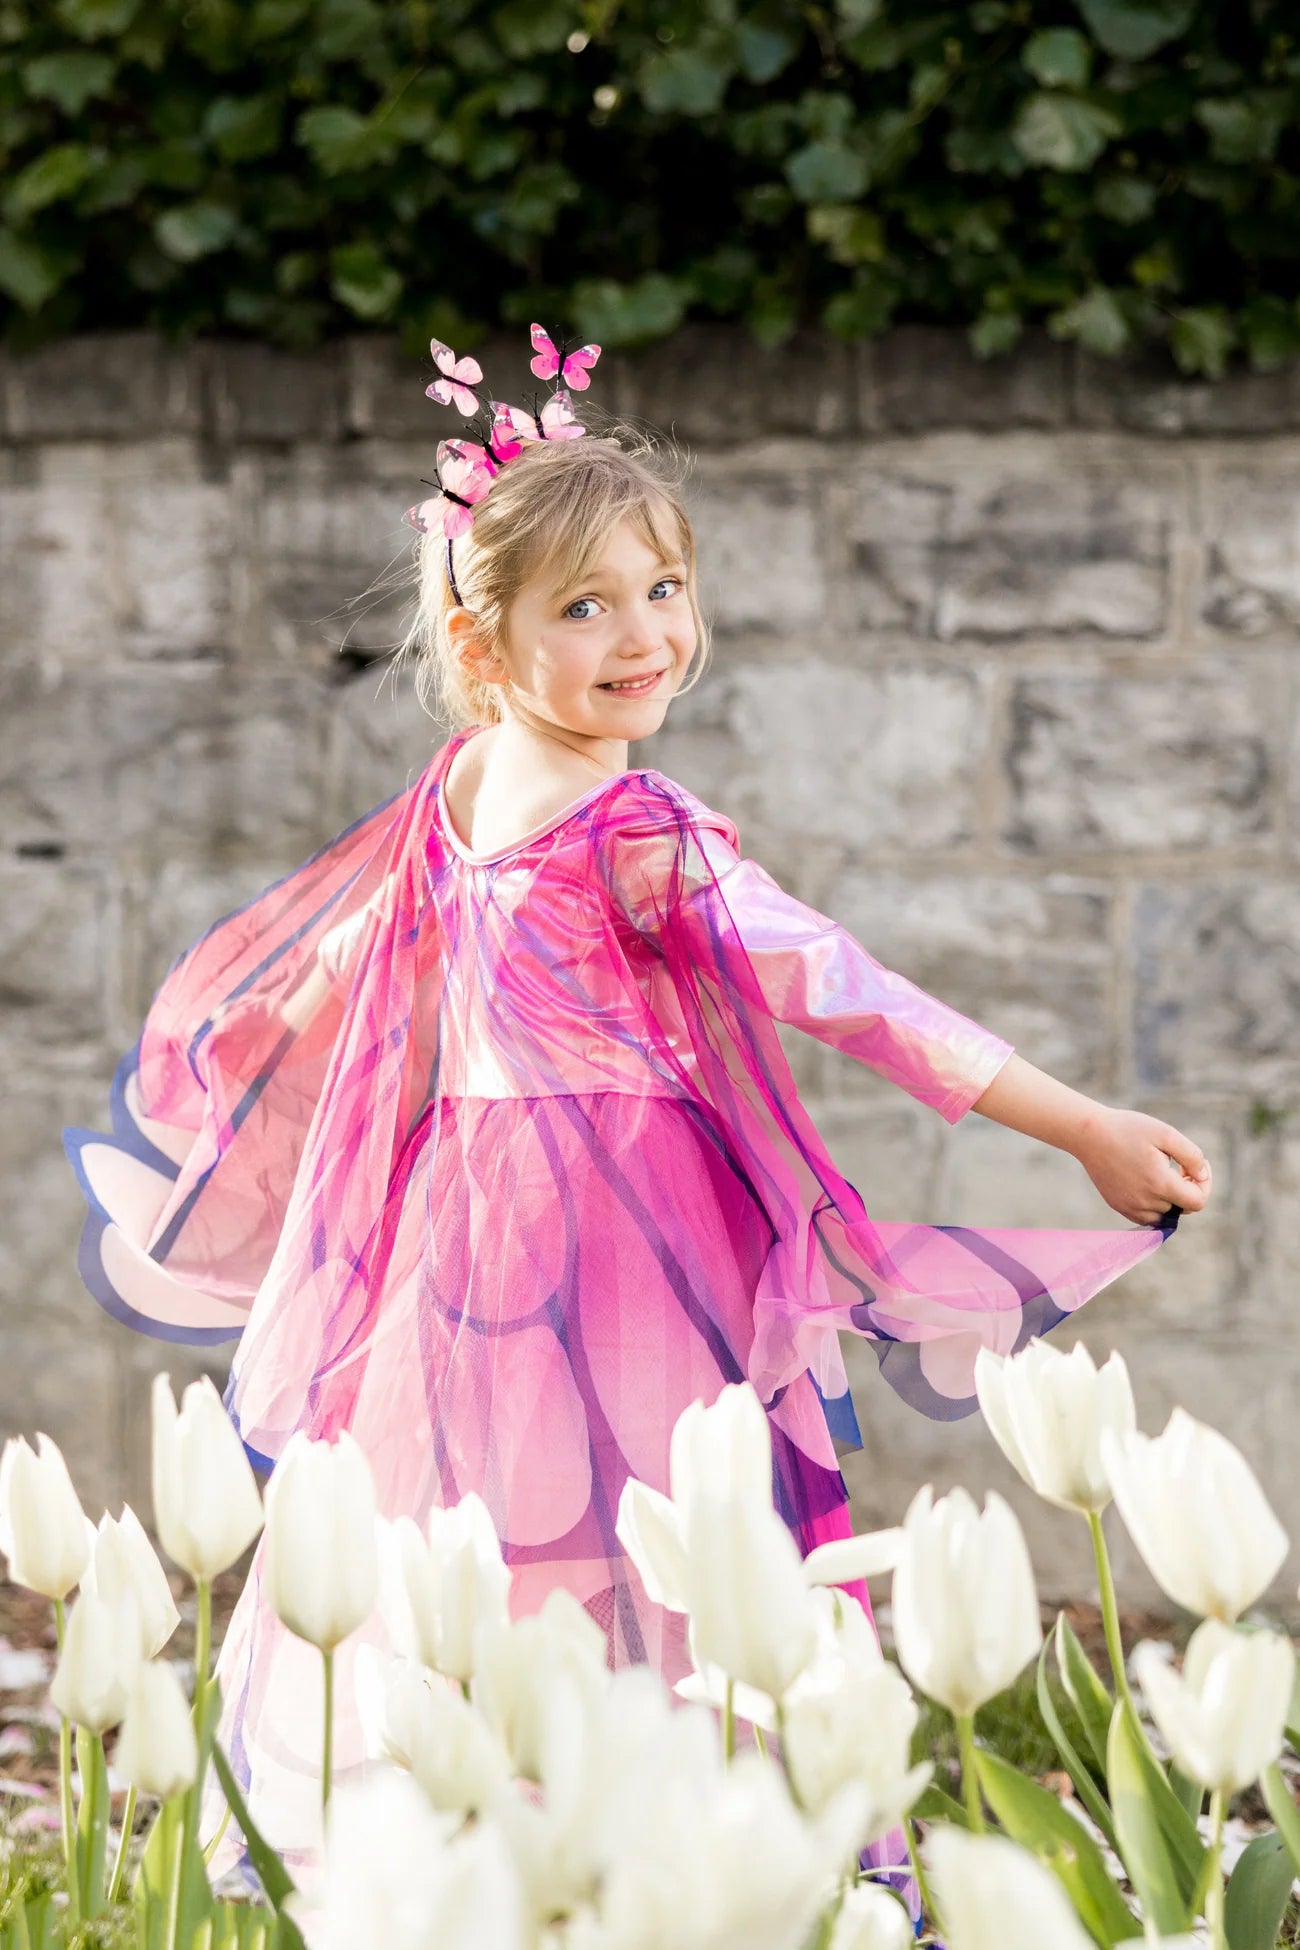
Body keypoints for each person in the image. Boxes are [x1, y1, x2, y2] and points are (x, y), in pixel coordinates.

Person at [62, 328, 1212, 1891]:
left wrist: (270, 1036)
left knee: (487, 1524)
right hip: (614, 1234)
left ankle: (486, 1845)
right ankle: (668, 1850)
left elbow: (360, 972)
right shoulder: (620, 826)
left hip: (461, 1230)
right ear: (484, 648)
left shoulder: (466, 792)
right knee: (647, 1526)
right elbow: (846, 987)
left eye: (662, 590)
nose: (641, 635)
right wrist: (1074, 1121)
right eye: (585, 606)